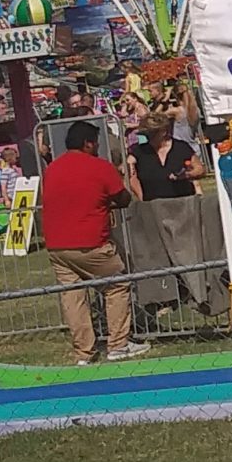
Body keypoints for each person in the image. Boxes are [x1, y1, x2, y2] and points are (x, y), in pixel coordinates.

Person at [39, 120, 146, 362]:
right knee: (117, 284)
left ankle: (83, 353)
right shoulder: (100, 167)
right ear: (88, 143)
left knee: (73, 296)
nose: (98, 147)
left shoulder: (53, 169)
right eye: (96, 143)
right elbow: (123, 197)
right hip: (90, 242)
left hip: (57, 245)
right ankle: (118, 344)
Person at [129, 99, 210, 319]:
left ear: (163, 132)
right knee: (158, 255)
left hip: (182, 206)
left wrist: (188, 175)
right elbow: (130, 172)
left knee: (188, 251)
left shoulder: (181, 147)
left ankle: (196, 293)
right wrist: (140, 195)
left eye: (151, 133)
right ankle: (165, 298)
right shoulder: (138, 150)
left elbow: (199, 168)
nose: (146, 137)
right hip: (153, 209)